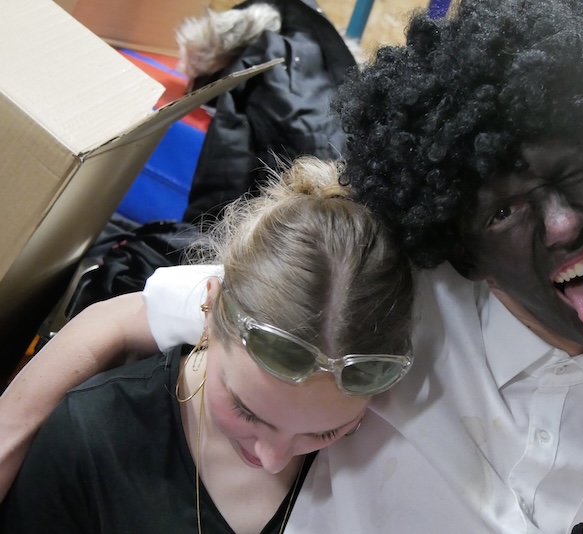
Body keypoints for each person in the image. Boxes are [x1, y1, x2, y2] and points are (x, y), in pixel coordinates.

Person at [0, 0, 583, 532]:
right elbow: (149, 313)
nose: (560, 223)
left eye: (575, 174)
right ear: (460, 244)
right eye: (502, 211)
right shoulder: (391, 306)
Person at [0, 157, 414, 533]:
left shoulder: (388, 461)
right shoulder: (93, 439)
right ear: (209, 308)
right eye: (246, 411)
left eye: (325, 432)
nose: (273, 459)